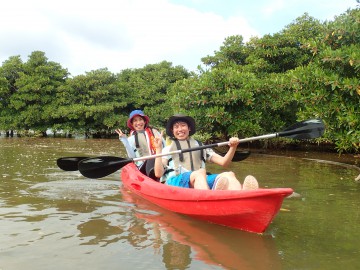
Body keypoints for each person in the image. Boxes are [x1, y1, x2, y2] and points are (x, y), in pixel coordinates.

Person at [153, 114, 259, 190]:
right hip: (176, 181)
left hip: (199, 179)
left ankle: (240, 196)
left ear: (189, 128)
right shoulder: (167, 149)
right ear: (172, 131)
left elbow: (224, 163)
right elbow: (158, 173)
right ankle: (210, 199)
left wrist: (233, 147)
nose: (180, 129)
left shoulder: (200, 146)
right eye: (176, 127)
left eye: (183, 125)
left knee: (229, 175)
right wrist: (158, 150)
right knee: (200, 173)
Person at [115, 110, 164, 174]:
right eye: (135, 121)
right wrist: (124, 140)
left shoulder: (155, 133)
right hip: (142, 166)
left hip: (160, 162)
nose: (138, 123)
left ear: (144, 121)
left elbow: (165, 148)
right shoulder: (131, 139)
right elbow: (132, 156)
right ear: (132, 124)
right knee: (150, 162)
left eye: (140, 119)